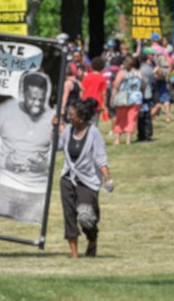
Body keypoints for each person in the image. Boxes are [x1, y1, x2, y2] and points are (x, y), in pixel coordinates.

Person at [0, 71, 54, 223]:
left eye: (41, 99)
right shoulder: (5, 112)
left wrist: (46, 164)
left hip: (36, 194)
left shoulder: (53, 118)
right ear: (23, 93)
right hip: (4, 189)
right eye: (33, 98)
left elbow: (65, 150)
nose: (37, 103)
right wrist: (3, 161)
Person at [55, 98, 112, 259]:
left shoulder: (94, 133)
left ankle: (92, 239)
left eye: (71, 115)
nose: (68, 116)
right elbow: (57, 146)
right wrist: (54, 128)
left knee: (86, 215)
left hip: (87, 180)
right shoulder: (68, 131)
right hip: (67, 178)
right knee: (69, 215)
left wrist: (107, 178)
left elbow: (100, 157)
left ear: (81, 117)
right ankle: (74, 254)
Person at [111, 55, 143, 145]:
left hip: (123, 97)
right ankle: (128, 140)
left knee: (120, 118)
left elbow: (116, 86)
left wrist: (112, 97)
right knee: (131, 119)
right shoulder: (139, 73)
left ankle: (117, 140)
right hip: (136, 98)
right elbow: (142, 85)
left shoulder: (122, 73)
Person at [151, 33, 172, 122]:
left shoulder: (149, 49)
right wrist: (168, 73)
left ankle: (152, 116)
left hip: (154, 75)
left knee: (152, 96)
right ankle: (168, 116)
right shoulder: (164, 50)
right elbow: (169, 62)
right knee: (165, 95)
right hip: (163, 75)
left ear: (152, 40)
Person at [81, 57, 108, 125]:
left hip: (86, 102)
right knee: (94, 122)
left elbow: (82, 90)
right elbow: (103, 93)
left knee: (85, 120)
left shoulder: (87, 77)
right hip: (97, 103)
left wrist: (81, 100)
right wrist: (104, 104)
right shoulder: (102, 78)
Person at [138, 49, 156, 141]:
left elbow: (142, 83)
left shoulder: (141, 70)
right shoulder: (150, 68)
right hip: (149, 94)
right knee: (147, 115)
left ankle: (143, 134)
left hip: (143, 95)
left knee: (142, 116)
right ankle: (148, 133)